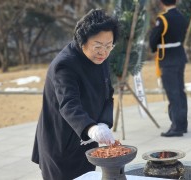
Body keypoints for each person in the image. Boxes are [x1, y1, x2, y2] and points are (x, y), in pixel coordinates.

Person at [31, 9, 119, 180]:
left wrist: (103, 122)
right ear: (82, 41)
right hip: (61, 143)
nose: (104, 52)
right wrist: (91, 128)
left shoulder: (101, 57)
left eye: (109, 46)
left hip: (88, 139)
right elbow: (68, 104)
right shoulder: (65, 65)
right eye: (98, 46)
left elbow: (108, 93)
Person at [149, 0, 188, 137]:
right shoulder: (181, 16)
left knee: (173, 94)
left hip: (168, 58)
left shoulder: (163, 18)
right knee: (180, 91)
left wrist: (154, 47)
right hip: (179, 55)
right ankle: (183, 124)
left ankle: (177, 127)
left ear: (162, 2)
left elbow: (153, 39)